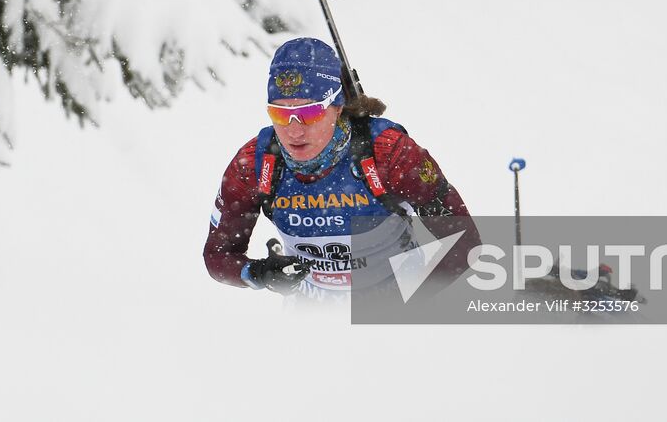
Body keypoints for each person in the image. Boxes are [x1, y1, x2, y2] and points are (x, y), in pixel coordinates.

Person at [202, 36, 479, 300]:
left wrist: (413, 304)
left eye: (310, 113)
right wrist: (261, 274)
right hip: (313, 319)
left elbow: (464, 243)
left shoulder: (389, 154)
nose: (294, 131)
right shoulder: (254, 163)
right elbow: (217, 256)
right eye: (280, 114)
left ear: (338, 106)